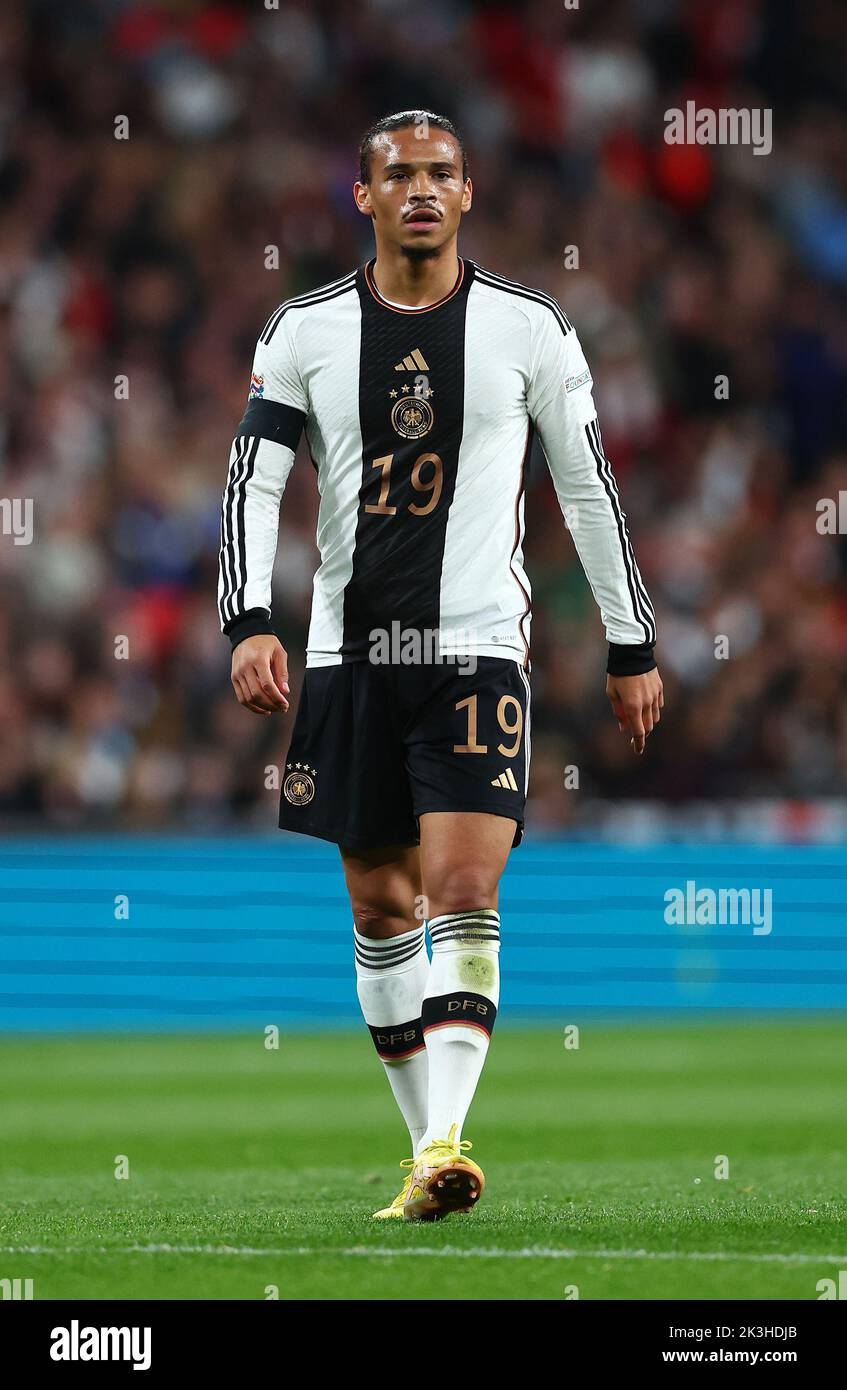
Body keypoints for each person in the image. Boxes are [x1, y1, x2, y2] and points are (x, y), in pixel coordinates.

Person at [218, 110, 663, 1221]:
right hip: (348, 656)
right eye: (398, 175)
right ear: (360, 197)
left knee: (463, 887)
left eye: (441, 174)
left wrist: (631, 639)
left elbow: (588, 486)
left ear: (468, 194)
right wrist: (247, 620)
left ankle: (451, 1136)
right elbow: (252, 484)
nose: (421, 190)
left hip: (474, 652)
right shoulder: (304, 330)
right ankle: (430, 1152)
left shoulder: (530, 328)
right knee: (379, 906)